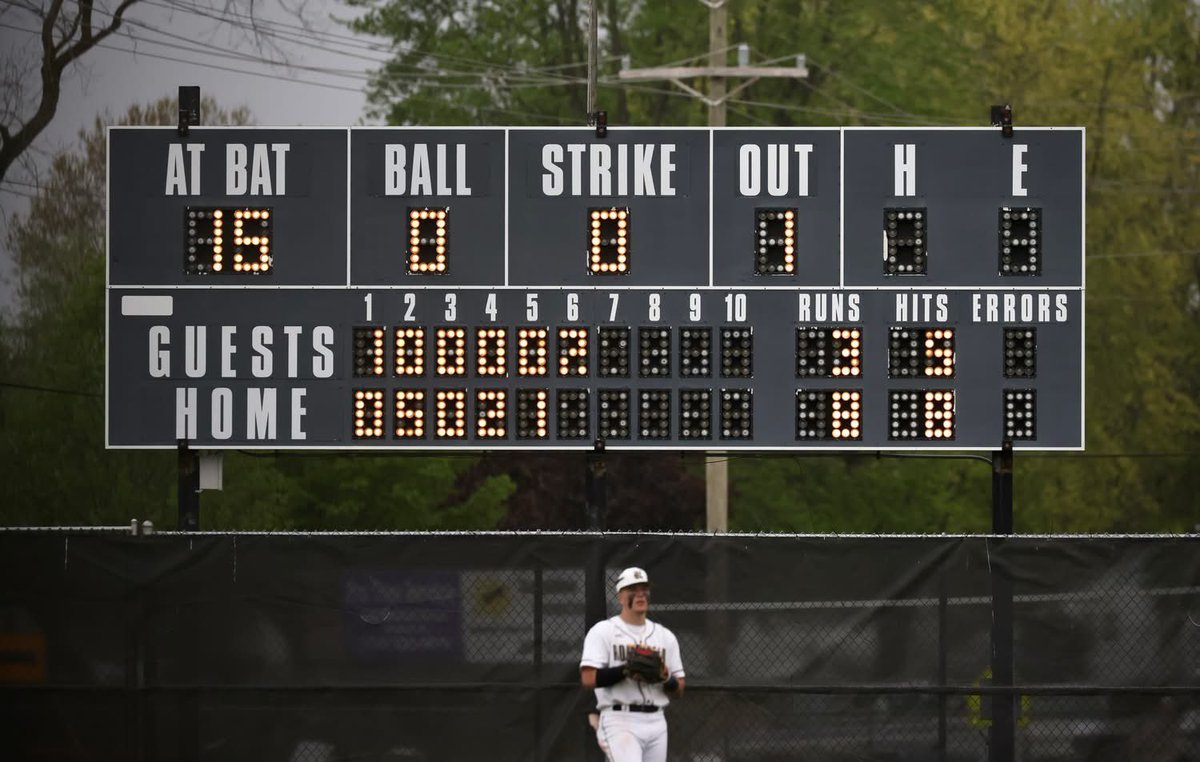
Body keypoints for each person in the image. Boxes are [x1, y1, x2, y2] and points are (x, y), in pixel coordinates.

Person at [579, 567, 685, 762]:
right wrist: (625, 670)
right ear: (620, 597)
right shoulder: (604, 631)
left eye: (644, 589)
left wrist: (665, 678)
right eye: (632, 590)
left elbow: (679, 689)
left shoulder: (665, 636)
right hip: (620, 720)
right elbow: (587, 679)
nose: (640, 594)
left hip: (657, 720)